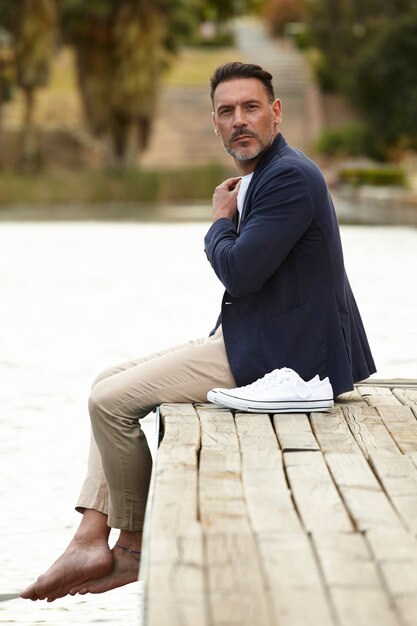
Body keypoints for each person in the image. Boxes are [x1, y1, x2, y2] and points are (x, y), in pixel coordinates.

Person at [20, 62, 375, 603]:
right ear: (214, 122)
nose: (239, 121)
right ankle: (91, 534)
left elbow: (240, 270)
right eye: (227, 111)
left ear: (277, 112)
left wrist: (217, 220)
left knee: (109, 402)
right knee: (108, 379)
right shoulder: (270, 172)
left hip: (284, 355)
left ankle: (132, 545)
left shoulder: (287, 177)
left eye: (251, 108)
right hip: (258, 337)